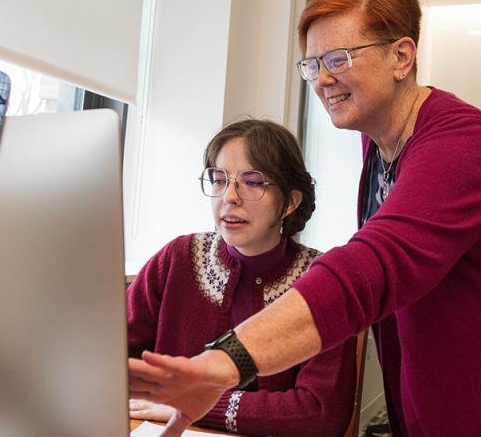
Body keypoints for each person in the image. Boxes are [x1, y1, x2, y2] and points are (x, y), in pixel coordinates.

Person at [129, 0, 481, 437]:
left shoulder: (465, 145)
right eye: (312, 65)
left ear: (402, 56)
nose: (322, 80)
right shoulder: (380, 147)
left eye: (338, 58)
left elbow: (374, 265)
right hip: (442, 383)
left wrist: (219, 366)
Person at [126, 119, 357, 437]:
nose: (229, 197)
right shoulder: (176, 258)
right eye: (219, 180)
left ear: (289, 202)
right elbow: (114, 358)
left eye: (252, 182)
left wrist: (196, 405)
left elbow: (319, 413)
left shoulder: (322, 280)